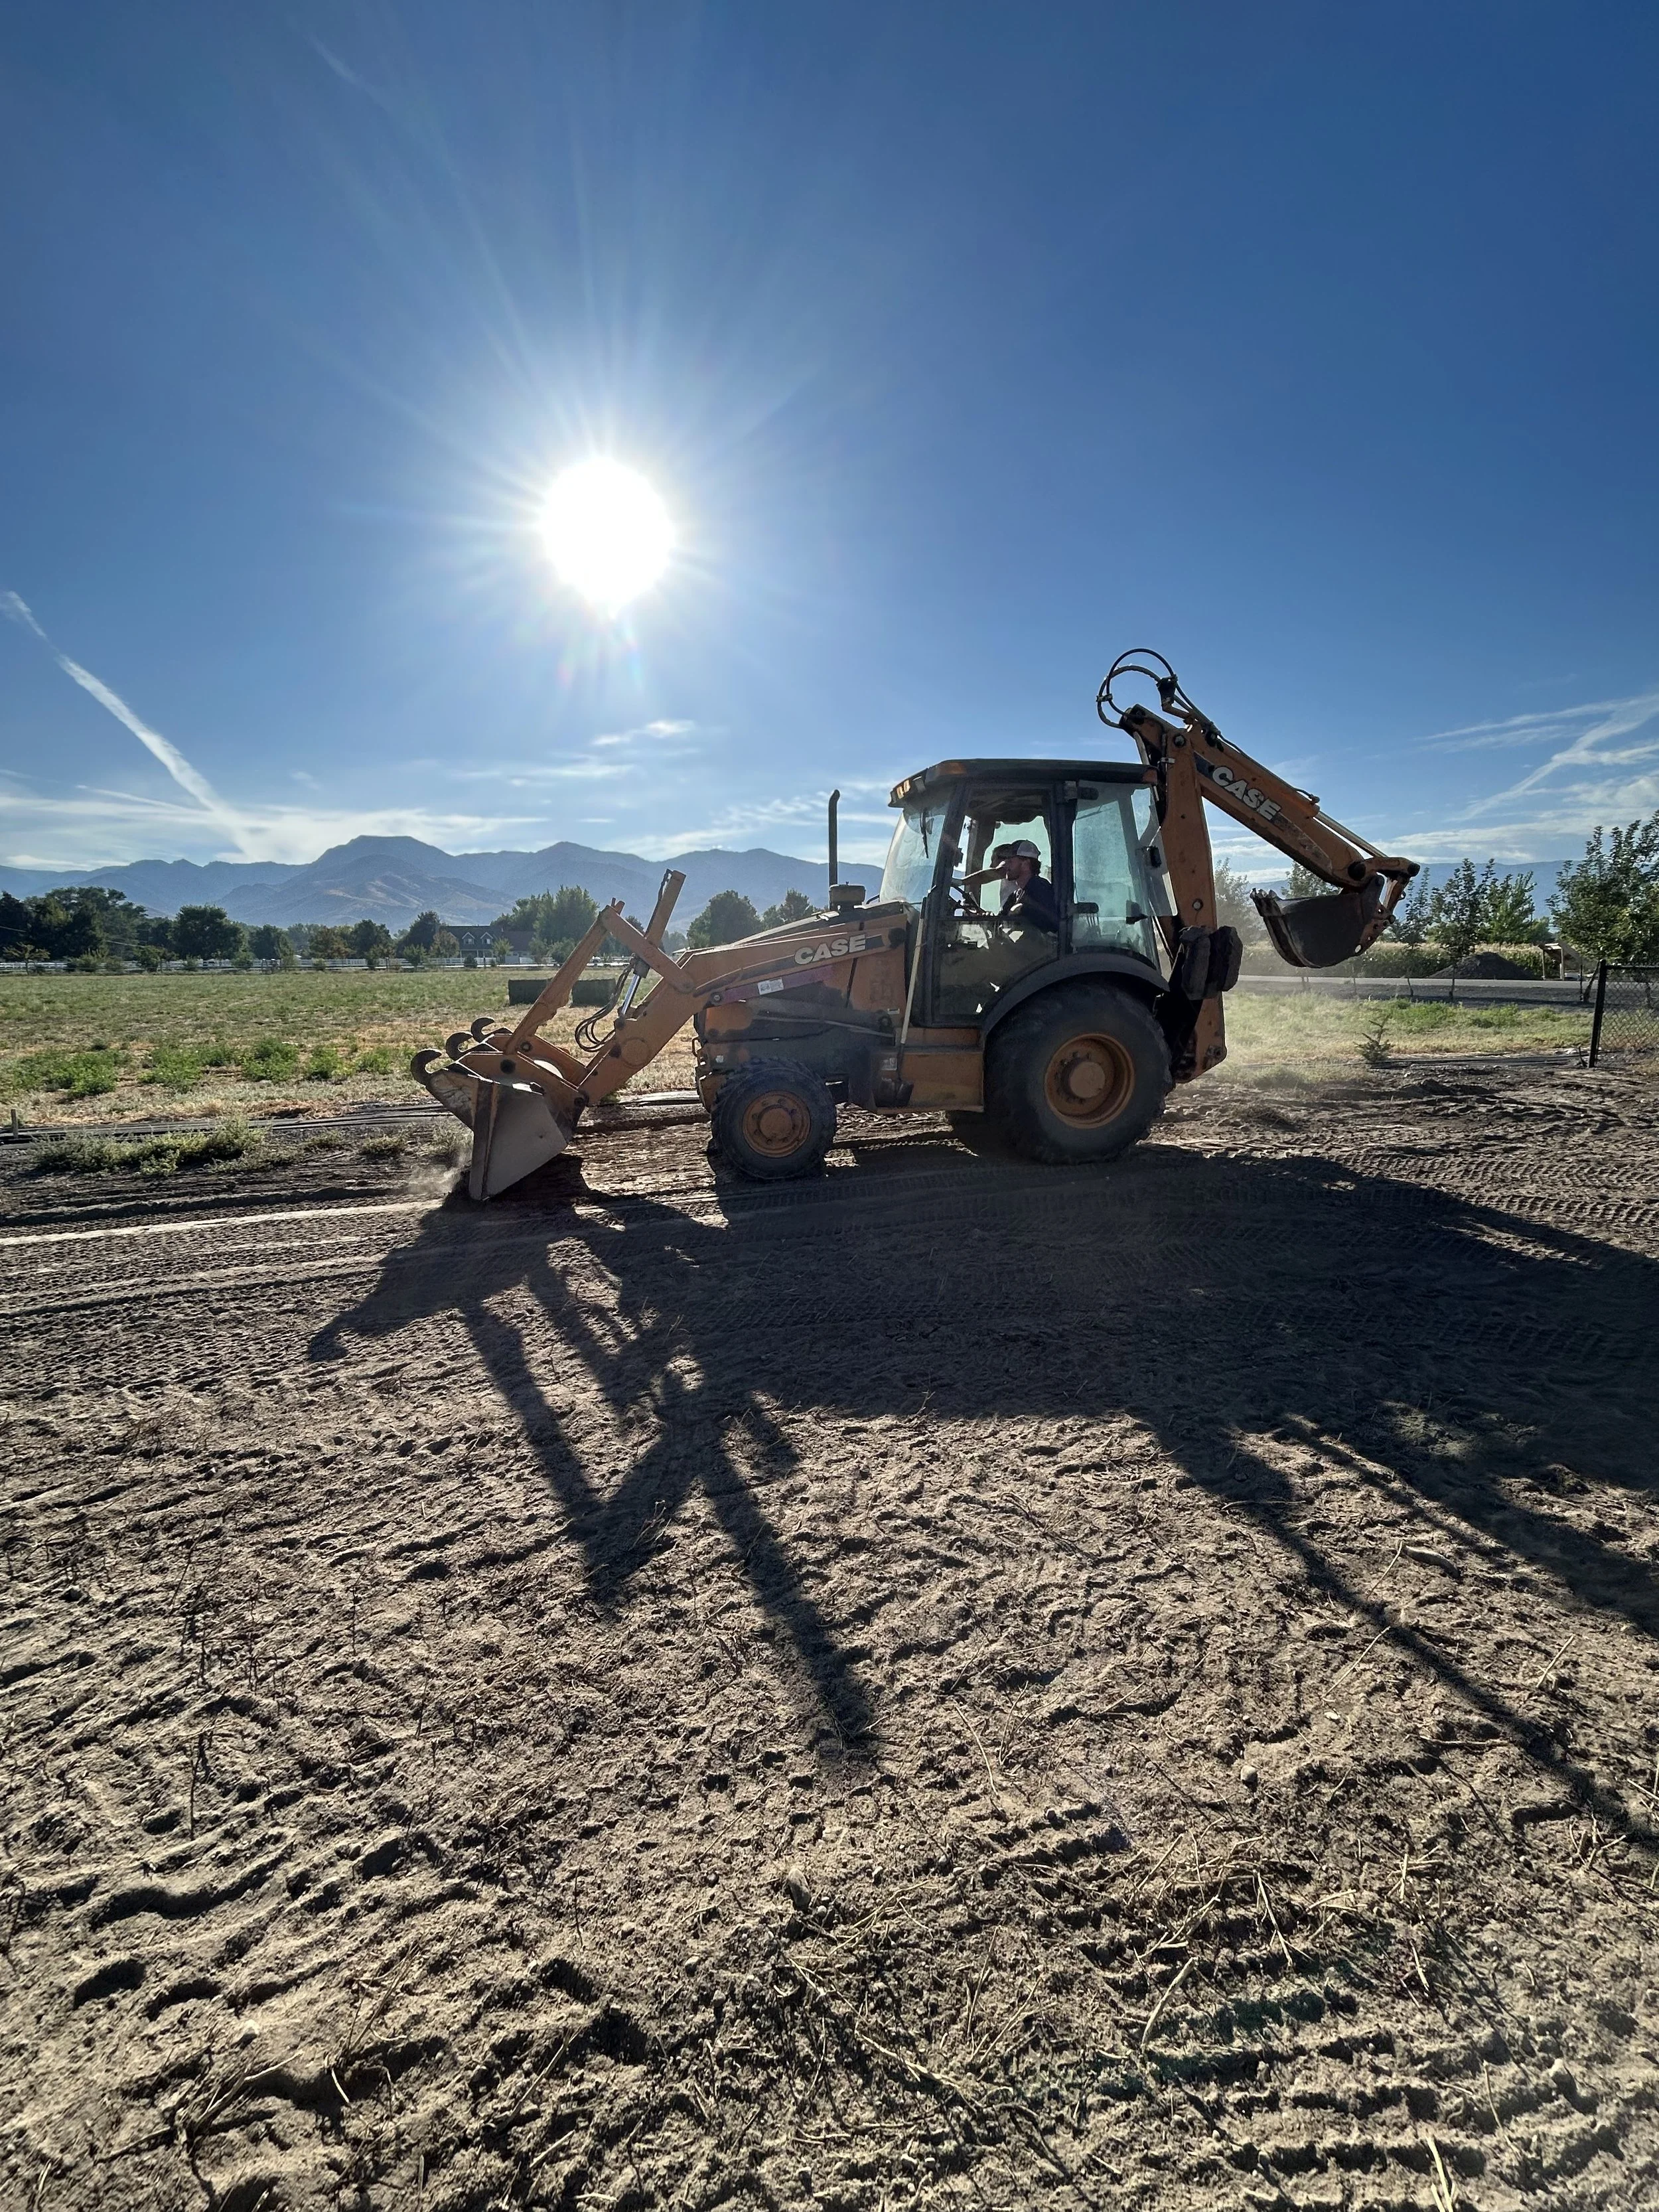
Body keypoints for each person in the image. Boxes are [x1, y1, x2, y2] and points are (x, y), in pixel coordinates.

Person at [995, 840, 1060, 934]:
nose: (1006, 865)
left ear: (1026, 863)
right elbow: (1000, 920)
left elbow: (1053, 924)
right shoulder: (1017, 894)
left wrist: (1022, 909)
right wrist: (984, 916)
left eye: (1010, 861)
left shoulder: (1040, 888)